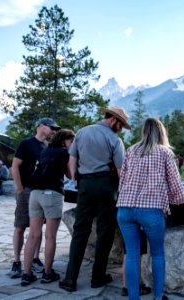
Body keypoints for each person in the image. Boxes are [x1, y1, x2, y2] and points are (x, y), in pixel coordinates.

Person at [59, 106, 129, 292]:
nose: (120, 129)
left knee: (80, 230)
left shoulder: (82, 132)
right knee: (105, 232)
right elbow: (121, 171)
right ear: (114, 120)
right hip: (106, 186)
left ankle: (70, 278)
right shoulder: (114, 139)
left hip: (85, 185)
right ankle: (98, 277)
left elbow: (72, 158)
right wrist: (125, 192)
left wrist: (76, 178)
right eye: (120, 125)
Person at [117, 117, 184, 300]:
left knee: (131, 254)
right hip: (151, 210)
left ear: (144, 132)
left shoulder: (130, 151)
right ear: (161, 132)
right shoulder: (164, 152)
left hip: (124, 208)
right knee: (157, 254)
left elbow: (122, 181)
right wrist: (178, 201)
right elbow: (176, 184)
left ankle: (133, 297)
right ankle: (158, 296)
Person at [21, 129, 75, 286]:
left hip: (35, 194)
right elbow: (71, 175)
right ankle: (47, 273)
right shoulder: (65, 153)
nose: (72, 144)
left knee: (33, 235)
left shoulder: (44, 151)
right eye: (71, 141)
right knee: (50, 236)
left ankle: (26, 274)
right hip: (51, 194)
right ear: (65, 140)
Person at [10, 117, 60, 279]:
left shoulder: (48, 146)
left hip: (41, 191)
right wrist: (19, 188)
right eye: (51, 127)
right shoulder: (26, 143)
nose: (54, 130)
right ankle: (17, 261)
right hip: (26, 190)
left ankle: (35, 258)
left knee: (37, 229)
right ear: (40, 126)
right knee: (20, 226)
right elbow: (15, 166)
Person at [120, 228, 152, 297]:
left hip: (124, 220)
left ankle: (125, 288)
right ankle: (135, 288)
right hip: (137, 223)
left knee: (127, 253)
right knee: (136, 254)